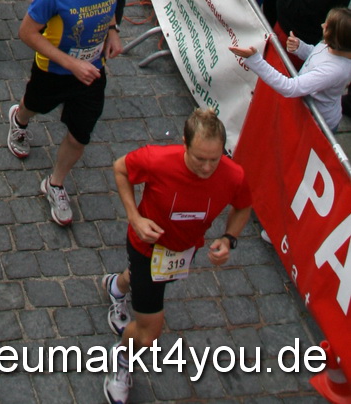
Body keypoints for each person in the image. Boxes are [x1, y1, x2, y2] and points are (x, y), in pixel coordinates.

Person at [102, 110, 251, 404]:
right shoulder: (157, 160)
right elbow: (120, 169)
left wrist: (228, 238)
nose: (208, 167)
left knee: (151, 281)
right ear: (184, 142)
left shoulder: (234, 175)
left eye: (215, 158)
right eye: (199, 158)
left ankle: (116, 287)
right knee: (148, 334)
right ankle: (120, 359)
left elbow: (244, 206)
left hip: (184, 251)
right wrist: (135, 218)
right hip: (146, 248)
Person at [6, 0, 124, 229]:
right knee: (34, 106)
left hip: (92, 71)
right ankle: (19, 120)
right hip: (53, 69)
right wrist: (71, 63)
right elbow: (27, 33)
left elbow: (110, 8)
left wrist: (112, 31)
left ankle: (55, 183)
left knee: (80, 133)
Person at [231, 5, 351, 132]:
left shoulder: (333, 71)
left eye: (326, 26)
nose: (322, 25)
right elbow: (318, 55)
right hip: (307, 115)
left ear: (334, 36)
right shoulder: (334, 48)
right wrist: (300, 48)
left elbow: (290, 87)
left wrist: (255, 60)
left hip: (316, 127)